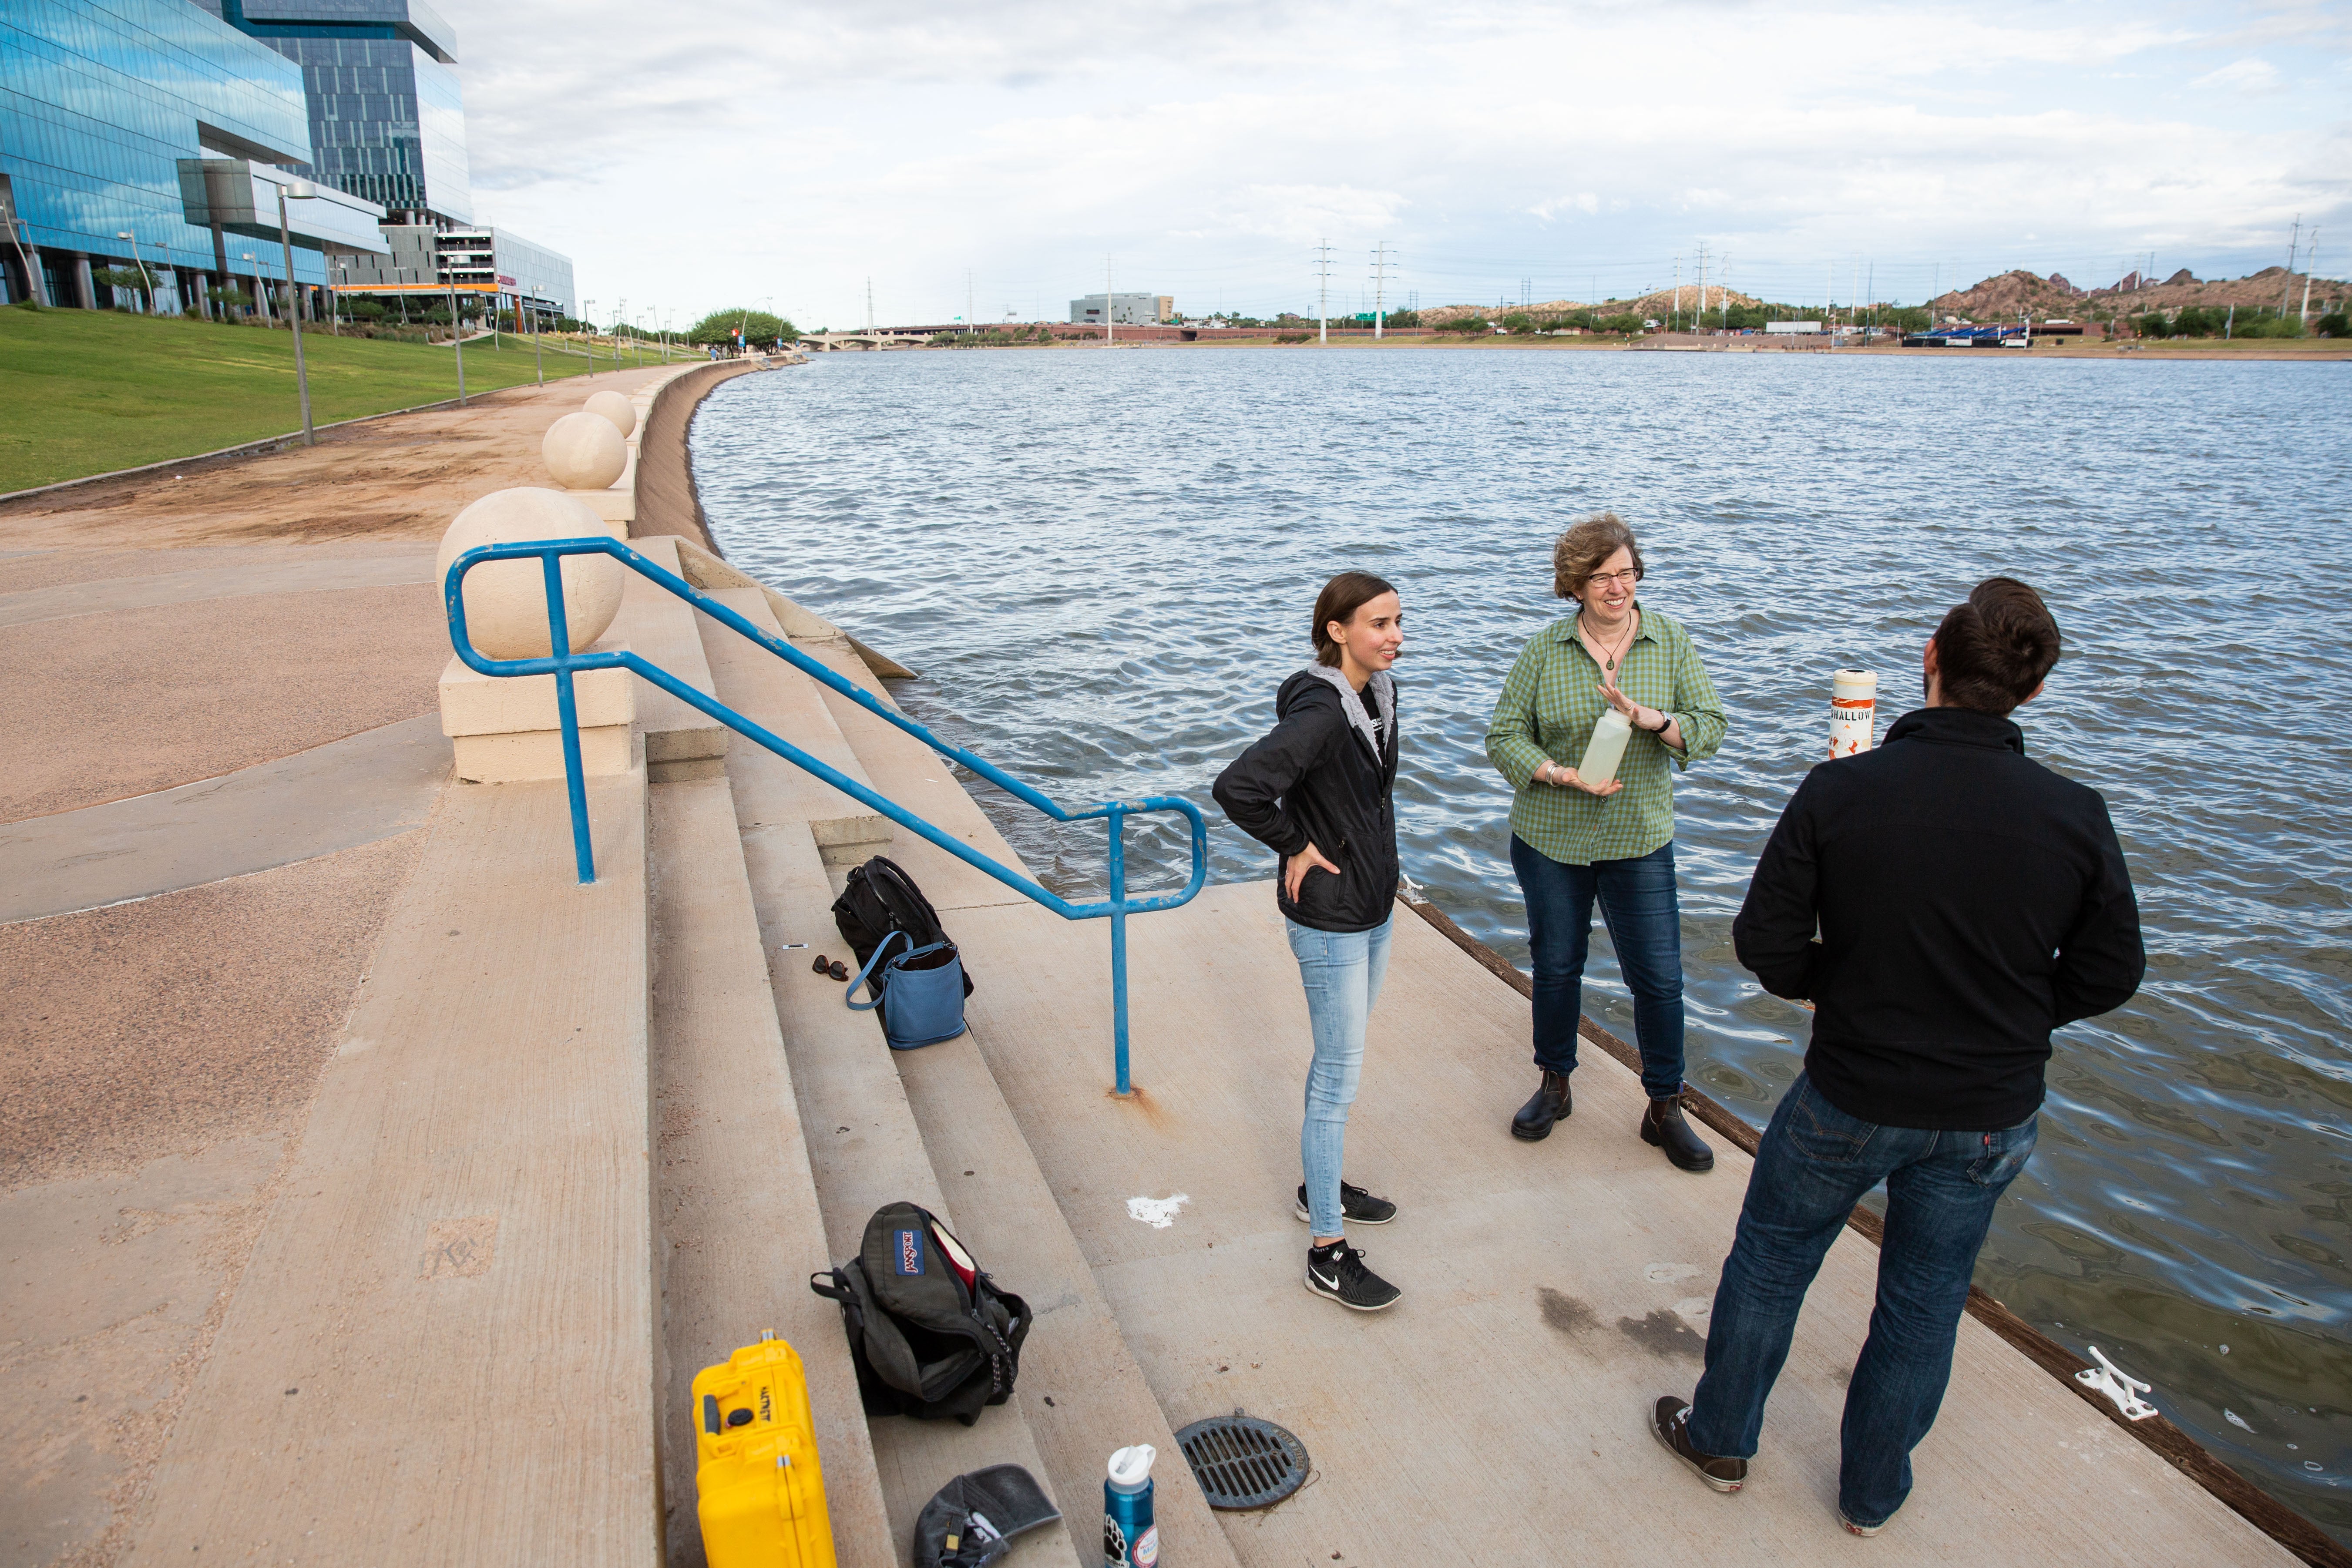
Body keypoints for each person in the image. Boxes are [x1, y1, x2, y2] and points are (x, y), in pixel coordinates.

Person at [1653, 576, 2144, 1535]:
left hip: (1851, 1086)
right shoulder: (2073, 813)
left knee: (1769, 1260)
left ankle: (1719, 1437)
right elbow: (2111, 969)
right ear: (2030, 692)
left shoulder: (1843, 787)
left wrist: (1833, 981)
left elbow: (1764, 940)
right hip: (1988, 1107)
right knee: (1922, 1301)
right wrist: (2020, 1011)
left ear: (1929, 663)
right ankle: (1871, 1494)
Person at [1484, 513, 1727, 1167]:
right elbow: (1503, 737)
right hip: (1551, 838)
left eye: (1625, 573)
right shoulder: (1545, 651)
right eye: (1600, 578)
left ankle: (1665, 1107)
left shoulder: (1670, 642)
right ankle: (1555, 1083)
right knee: (1558, 967)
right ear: (1575, 585)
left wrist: (1653, 719)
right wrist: (1562, 774)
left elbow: (1710, 728)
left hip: (1639, 838)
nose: (1616, 588)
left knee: (1659, 979)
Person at [1213, 571, 1407, 1313]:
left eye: (1398, 621)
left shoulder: (1375, 695)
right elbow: (1238, 787)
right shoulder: (1325, 713)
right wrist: (1294, 843)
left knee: (1341, 1069)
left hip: (1372, 903)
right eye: (1378, 624)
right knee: (1337, 1077)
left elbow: (1361, 797)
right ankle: (1326, 1251)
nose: (1394, 636)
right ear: (1336, 632)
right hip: (1331, 919)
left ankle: (1316, 1186)